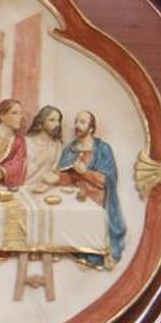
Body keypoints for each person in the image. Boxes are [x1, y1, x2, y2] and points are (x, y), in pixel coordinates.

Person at [58, 110, 126, 267]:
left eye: (82, 122)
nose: (77, 125)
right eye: (76, 121)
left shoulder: (103, 149)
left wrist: (85, 173)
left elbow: (108, 180)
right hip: (74, 198)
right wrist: (59, 176)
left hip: (98, 199)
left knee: (91, 215)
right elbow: (64, 179)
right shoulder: (69, 150)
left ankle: (94, 255)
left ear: (91, 128)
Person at [24, 105, 65, 192]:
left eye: (58, 120)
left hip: (47, 188)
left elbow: (55, 170)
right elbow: (22, 171)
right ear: (41, 123)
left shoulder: (57, 144)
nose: (57, 124)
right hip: (27, 186)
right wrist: (39, 161)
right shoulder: (27, 142)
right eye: (52, 120)